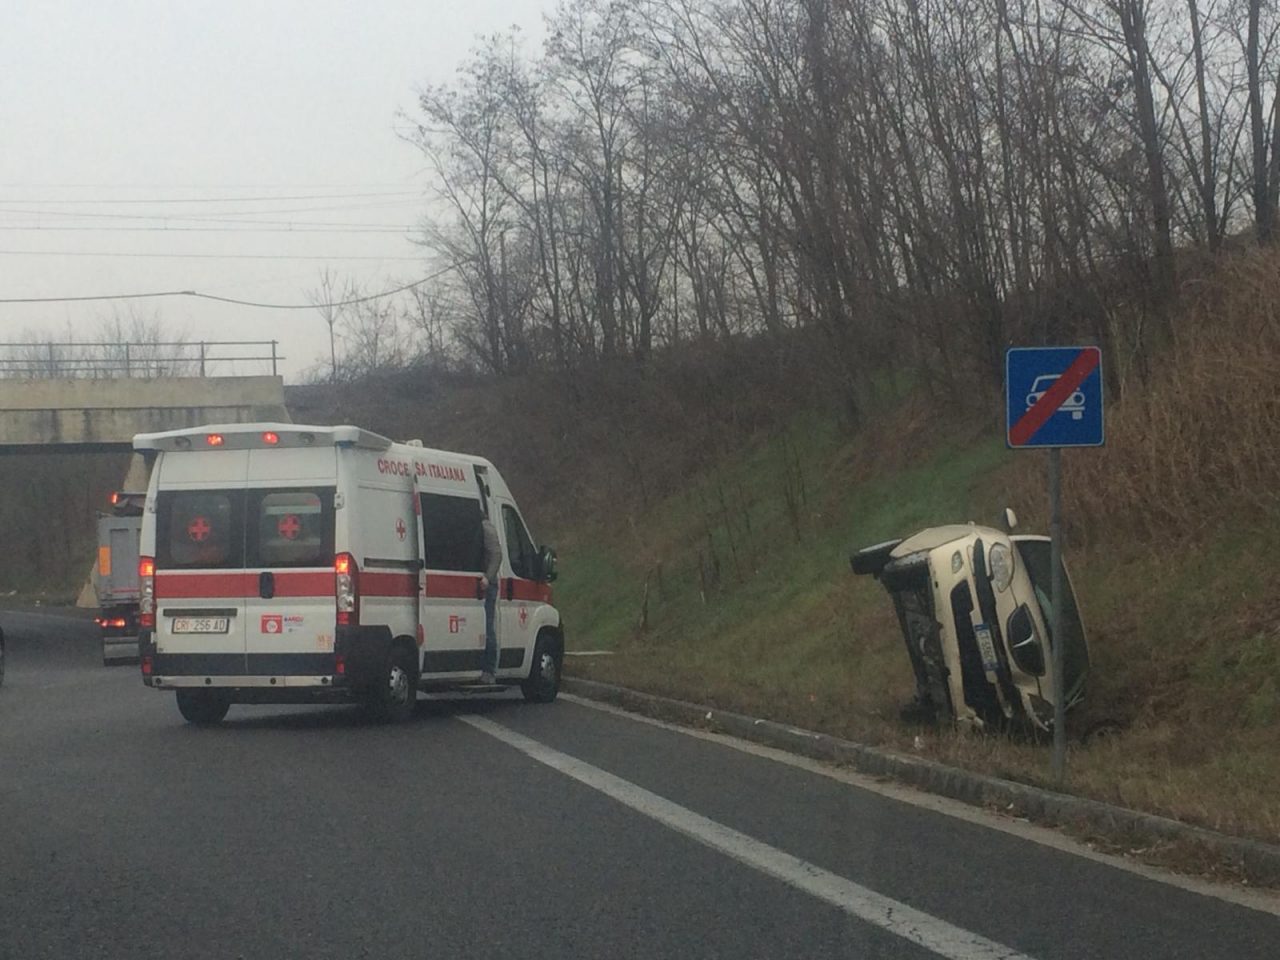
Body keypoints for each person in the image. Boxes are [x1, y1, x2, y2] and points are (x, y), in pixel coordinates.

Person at [478, 512, 502, 684]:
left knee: (487, 627)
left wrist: (488, 577)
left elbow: (496, 555)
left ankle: (489, 669)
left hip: (488, 585)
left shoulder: (486, 528)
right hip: (481, 584)